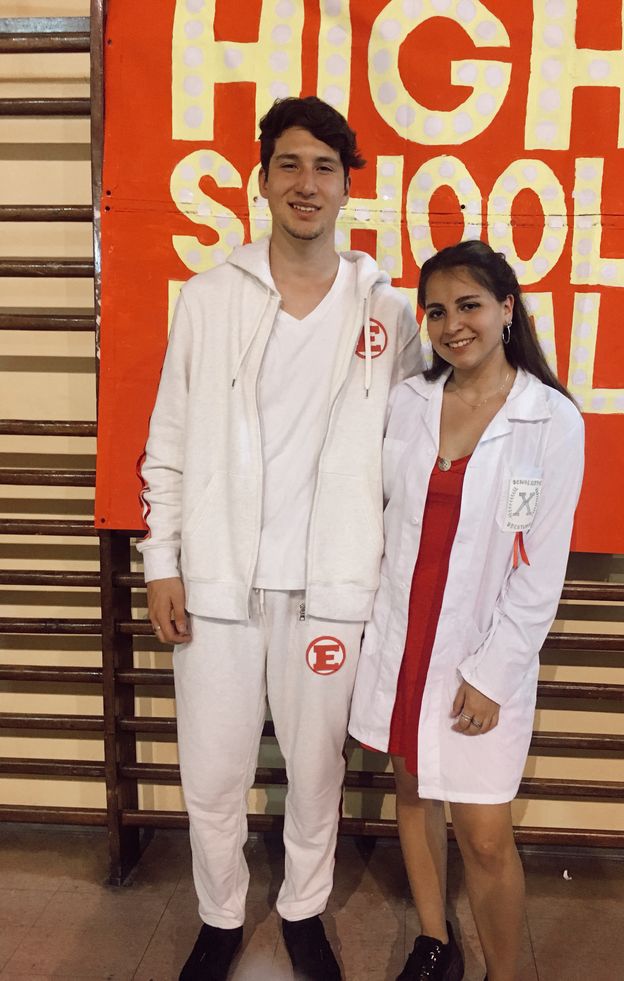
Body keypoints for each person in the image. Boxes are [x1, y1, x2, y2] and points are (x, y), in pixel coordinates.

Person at [138, 96, 423, 981]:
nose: (308, 183)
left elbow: (413, 448)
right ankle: (221, 915)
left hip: (333, 587)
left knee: (315, 773)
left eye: (326, 168)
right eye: (291, 165)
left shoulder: (390, 314)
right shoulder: (210, 298)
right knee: (213, 774)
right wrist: (163, 562)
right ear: (263, 181)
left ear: (348, 189)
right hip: (219, 587)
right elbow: (170, 439)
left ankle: (302, 908)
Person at [349, 240, 585, 981]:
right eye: (439, 310)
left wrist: (491, 673)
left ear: (508, 310)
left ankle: (504, 973)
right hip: (405, 632)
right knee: (414, 792)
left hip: (482, 650)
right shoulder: (409, 402)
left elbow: (541, 570)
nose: (454, 325)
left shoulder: (551, 420)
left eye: (471, 305)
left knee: (484, 834)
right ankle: (434, 941)